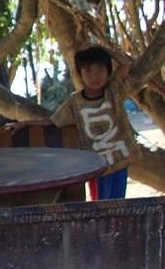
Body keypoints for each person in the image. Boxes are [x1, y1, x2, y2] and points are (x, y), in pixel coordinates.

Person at [9, 45, 143, 200]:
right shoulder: (75, 102)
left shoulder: (113, 90)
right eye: (88, 71)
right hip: (98, 166)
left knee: (118, 203)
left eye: (100, 70)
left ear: (108, 72)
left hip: (121, 161)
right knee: (101, 204)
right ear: (80, 74)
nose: (94, 77)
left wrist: (104, 49)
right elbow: (53, 121)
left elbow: (126, 63)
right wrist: (25, 124)